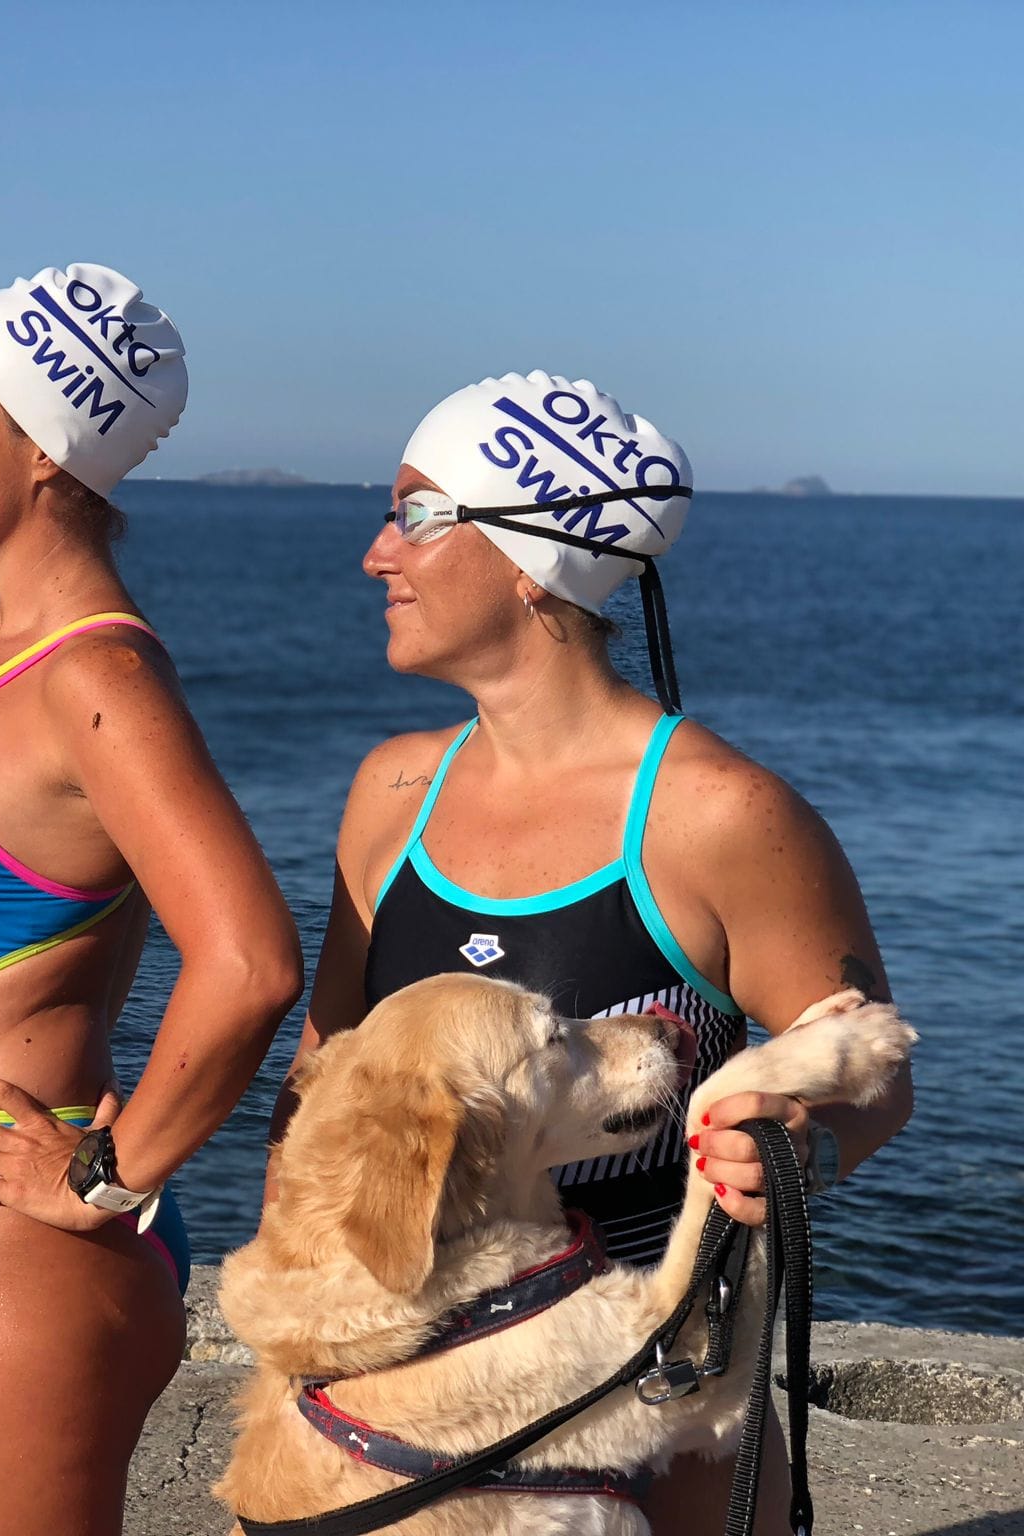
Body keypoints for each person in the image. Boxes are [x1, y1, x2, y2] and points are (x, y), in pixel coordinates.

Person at [266, 371, 914, 1534]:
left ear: (532, 563)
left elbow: (873, 1070)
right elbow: (322, 1077)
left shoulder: (716, 814)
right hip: (403, 1423)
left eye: (416, 515)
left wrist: (797, 1149)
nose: (375, 553)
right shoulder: (390, 792)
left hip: (655, 1408)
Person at [0, 263, 304, 1536]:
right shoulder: (17, 660)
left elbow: (250, 962)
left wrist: (103, 1177)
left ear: (43, 449)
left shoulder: (91, 676)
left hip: (20, 1249)